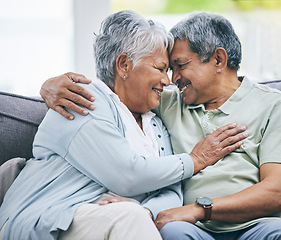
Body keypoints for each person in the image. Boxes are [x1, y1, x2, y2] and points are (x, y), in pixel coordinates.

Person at [39, 11, 281, 240]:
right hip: (190, 228)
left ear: (218, 59)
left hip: (258, 225)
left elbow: (276, 194)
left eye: (180, 66)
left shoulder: (277, 106)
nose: (172, 78)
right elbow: (122, 87)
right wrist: (50, 86)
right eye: (167, 69)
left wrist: (199, 209)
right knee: (173, 233)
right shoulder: (168, 101)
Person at [0, 10, 247, 240]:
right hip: (51, 218)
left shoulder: (155, 122)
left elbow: (173, 192)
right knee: (129, 217)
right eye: (161, 68)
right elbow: (126, 174)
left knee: (132, 215)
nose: (167, 80)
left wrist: (148, 210)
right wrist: (195, 160)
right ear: (124, 65)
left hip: (117, 223)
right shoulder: (83, 101)